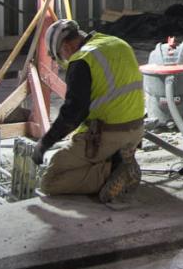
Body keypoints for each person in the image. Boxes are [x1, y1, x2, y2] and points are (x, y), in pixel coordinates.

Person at [32, 19, 145, 202]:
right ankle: (120, 160)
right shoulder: (117, 42)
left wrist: (44, 143)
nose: (64, 60)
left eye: (60, 56)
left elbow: (73, 113)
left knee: (50, 180)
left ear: (66, 47)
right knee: (75, 155)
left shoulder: (81, 60)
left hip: (108, 136)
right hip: (136, 131)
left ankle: (113, 171)